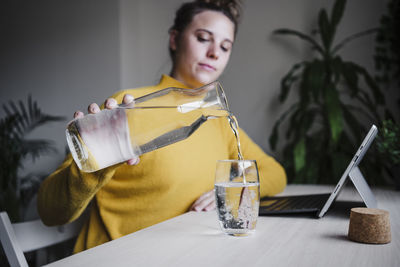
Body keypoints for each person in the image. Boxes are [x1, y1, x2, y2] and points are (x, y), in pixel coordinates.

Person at [37, 0, 286, 253]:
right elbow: (49, 211)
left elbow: (274, 172)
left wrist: (225, 189)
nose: (215, 53)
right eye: (203, 38)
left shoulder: (218, 118)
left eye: (225, 46)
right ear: (175, 40)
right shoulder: (128, 107)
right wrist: (93, 165)